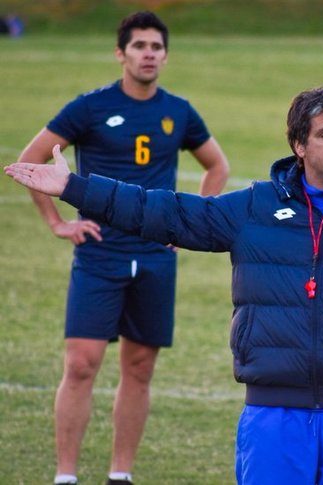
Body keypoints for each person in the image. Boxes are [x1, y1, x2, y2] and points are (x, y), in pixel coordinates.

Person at [6, 87, 323, 485]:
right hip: (273, 416)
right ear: (299, 144)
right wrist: (76, 189)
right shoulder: (254, 208)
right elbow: (165, 212)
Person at [14, 11, 229, 485]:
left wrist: (188, 226)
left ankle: (120, 475)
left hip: (155, 257)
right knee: (81, 364)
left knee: (139, 367)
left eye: (156, 46)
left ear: (165, 55)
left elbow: (218, 166)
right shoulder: (89, 109)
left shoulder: (179, 111)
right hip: (99, 254)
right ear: (121, 53)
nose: (148, 53)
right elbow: (29, 162)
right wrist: (57, 224)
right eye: (139, 46)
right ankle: (65, 476)